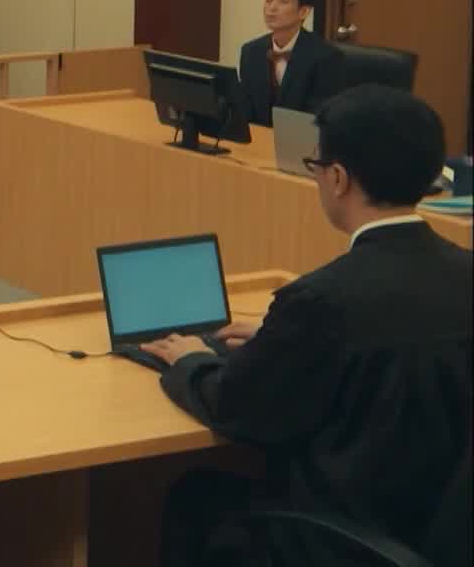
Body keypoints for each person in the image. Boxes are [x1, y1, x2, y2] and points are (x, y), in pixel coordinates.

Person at [140, 86, 471, 567]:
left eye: (316, 165)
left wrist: (190, 360)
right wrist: (279, 339)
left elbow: (237, 408)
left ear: (338, 178)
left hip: (346, 537)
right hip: (440, 534)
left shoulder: (320, 301)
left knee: (196, 496)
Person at [238, 0, 345, 128]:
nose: (272, 8)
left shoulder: (326, 57)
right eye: (269, 0)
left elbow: (319, 117)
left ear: (303, 12)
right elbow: (244, 108)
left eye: (284, 1)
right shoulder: (251, 52)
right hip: (258, 138)